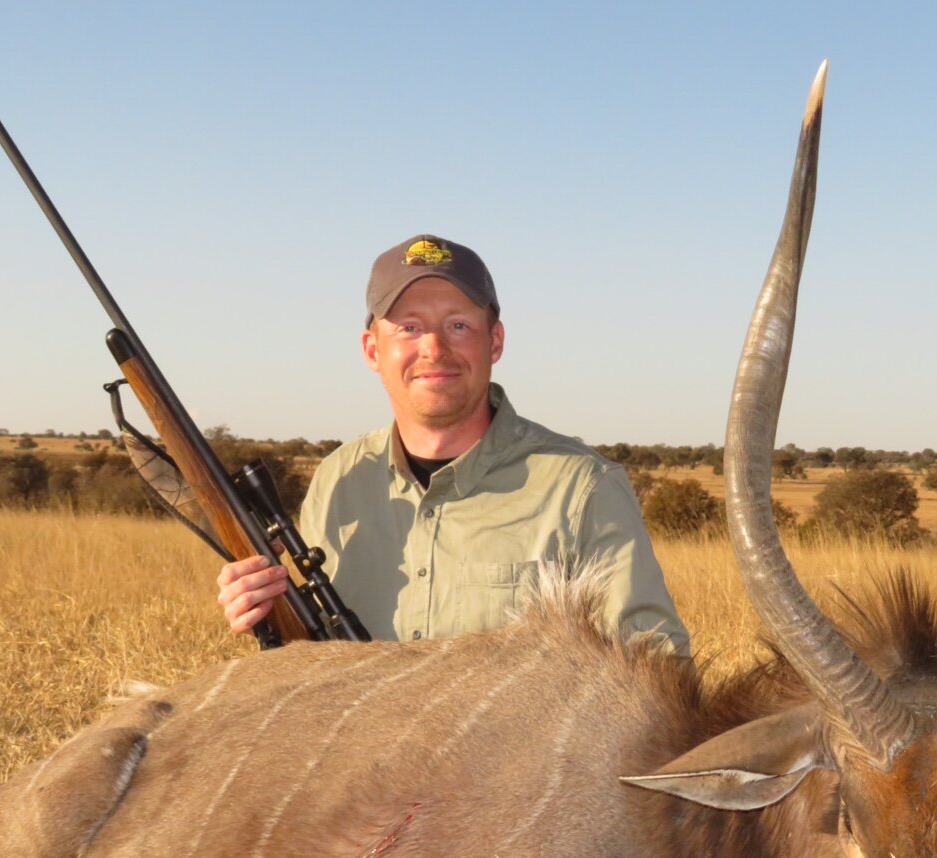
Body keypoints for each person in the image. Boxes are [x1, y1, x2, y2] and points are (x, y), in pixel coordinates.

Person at [216, 235, 688, 653]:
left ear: (495, 342)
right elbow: (314, 661)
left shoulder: (582, 487)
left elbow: (656, 670)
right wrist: (267, 615)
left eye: (459, 325)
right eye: (409, 327)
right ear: (372, 350)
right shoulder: (338, 480)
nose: (435, 348)